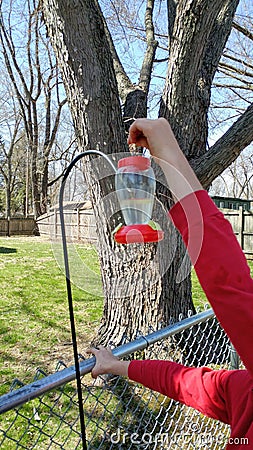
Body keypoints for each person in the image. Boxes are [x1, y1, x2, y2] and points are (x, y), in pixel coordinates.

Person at [88, 118, 253, 449]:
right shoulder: (244, 393)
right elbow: (187, 383)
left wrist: (168, 153)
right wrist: (119, 366)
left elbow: (228, 283)